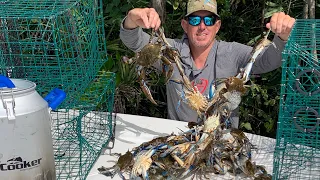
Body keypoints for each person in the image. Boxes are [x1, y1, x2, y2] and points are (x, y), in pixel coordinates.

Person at [119, 0, 295, 128]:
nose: (202, 26)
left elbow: (267, 60)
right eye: (195, 20)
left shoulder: (233, 53)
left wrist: (283, 37)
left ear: (217, 26)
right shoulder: (170, 52)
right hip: (178, 139)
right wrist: (132, 20)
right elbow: (135, 42)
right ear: (185, 25)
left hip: (222, 143)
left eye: (208, 20)